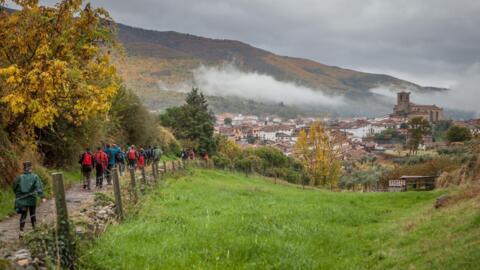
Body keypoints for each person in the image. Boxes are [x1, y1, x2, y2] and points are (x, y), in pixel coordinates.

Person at [13, 161, 46, 235]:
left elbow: (14, 187)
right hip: (32, 199)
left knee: (23, 215)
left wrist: (19, 195)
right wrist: (42, 196)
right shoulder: (35, 177)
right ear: (30, 168)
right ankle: (35, 231)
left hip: (22, 199)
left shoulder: (19, 177)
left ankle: (21, 232)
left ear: (24, 169)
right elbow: (39, 187)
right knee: (32, 214)